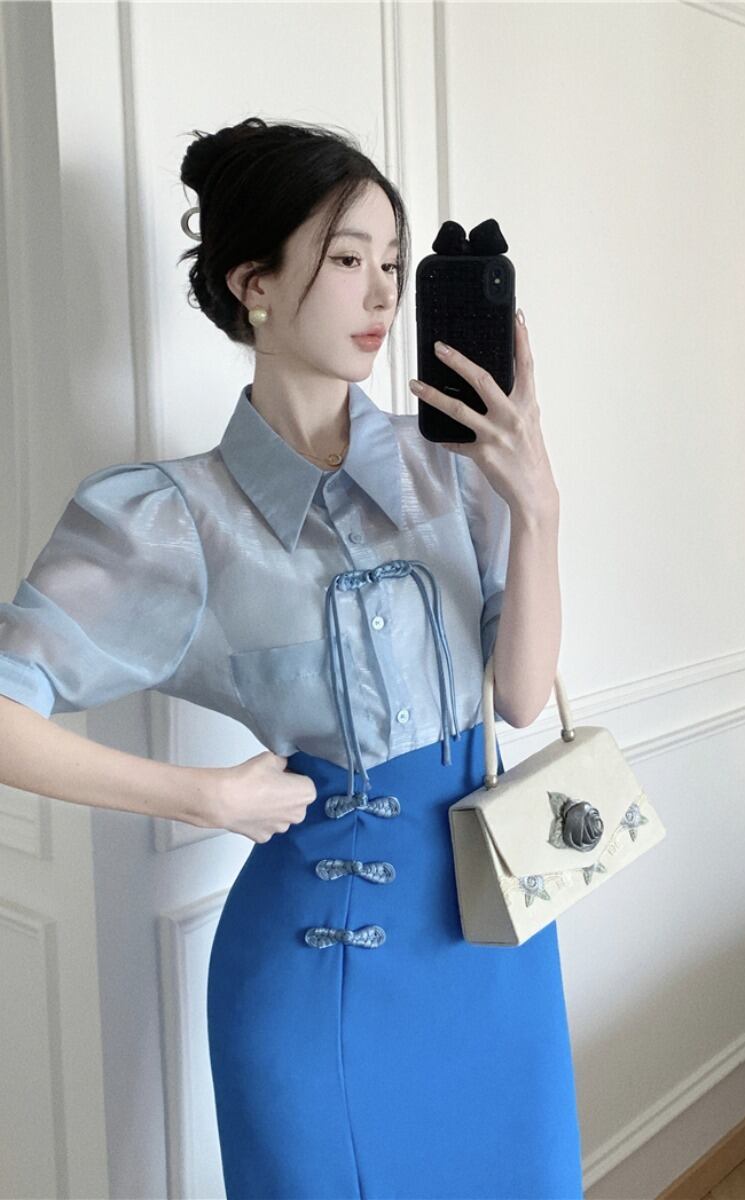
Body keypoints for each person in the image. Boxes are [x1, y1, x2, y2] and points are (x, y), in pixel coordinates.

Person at [0, 117, 583, 1199]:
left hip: (498, 948)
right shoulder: (170, 522)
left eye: (393, 264)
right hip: (315, 981)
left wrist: (536, 506)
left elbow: (516, 698)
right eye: (346, 259)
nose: (381, 295)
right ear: (254, 283)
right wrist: (200, 797)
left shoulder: (453, 468)